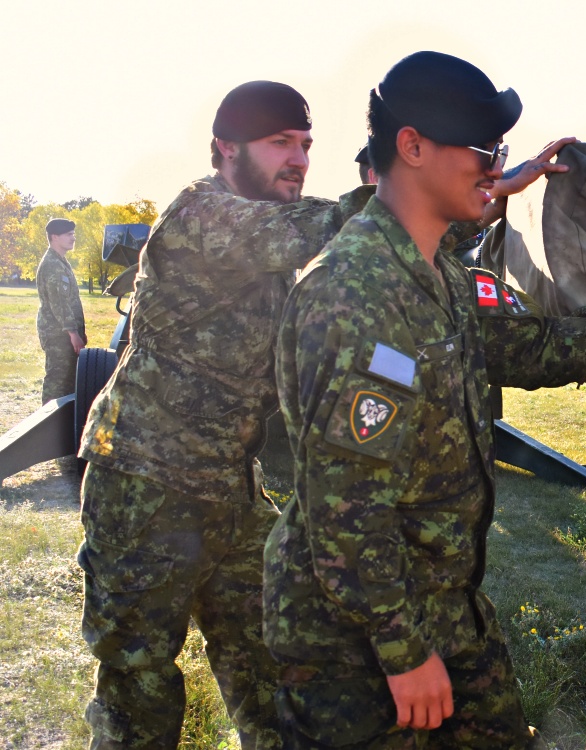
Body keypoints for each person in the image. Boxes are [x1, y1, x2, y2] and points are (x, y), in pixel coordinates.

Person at [261, 50, 586, 749]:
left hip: (445, 606)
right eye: (483, 149)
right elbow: (342, 506)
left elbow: (525, 348)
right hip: (356, 641)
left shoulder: (435, 272)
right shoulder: (351, 294)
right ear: (411, 147)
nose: (496, 168)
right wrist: (403, 652)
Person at [75, 80, 376, 749]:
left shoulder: (268, 250)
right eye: (279, 144)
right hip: (145, 485)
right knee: (140, 692)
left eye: (304, 145)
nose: (298, 159)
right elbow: (329, 226)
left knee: (274, 671)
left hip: (229, 491)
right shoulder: (201, 217)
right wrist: (418, 192)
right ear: (225, 151)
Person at [36, 217, 86, 403]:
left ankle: (61, 424)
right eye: (68, 234)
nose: (73, 238)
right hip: (59, 334)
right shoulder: (52, 265)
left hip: (64, 334)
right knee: (57, 382)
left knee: (67, 383)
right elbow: (59, 302)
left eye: (73, 234)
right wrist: (72, 332)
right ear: (54, 237)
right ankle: (48, 424)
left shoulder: (60, 261)